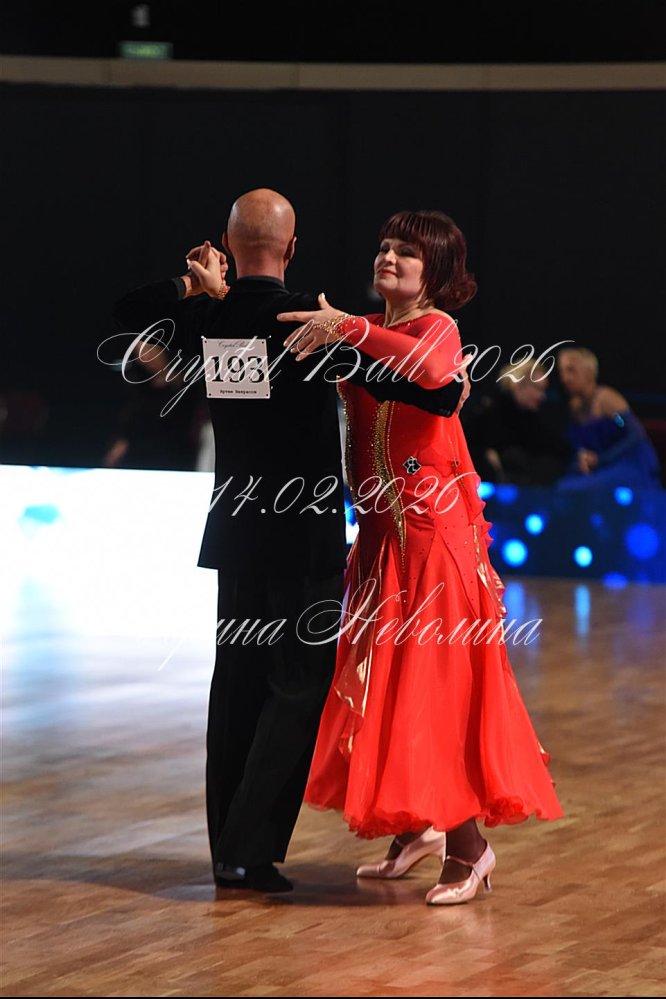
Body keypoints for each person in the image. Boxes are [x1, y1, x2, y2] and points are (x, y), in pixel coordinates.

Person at [112, 190, 467, 895]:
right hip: (302, 535)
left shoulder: (209, 317)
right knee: (296, 689)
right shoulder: (308, 319)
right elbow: (435, 394)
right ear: (293, 247)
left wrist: (193, 286)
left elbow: (128, 311)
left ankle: (229, 852)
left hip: (235, 533)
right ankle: (251, 851)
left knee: (235, 687)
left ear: (226, 246)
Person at [278, 209, 564, 906]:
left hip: (432, 541)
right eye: (384, 246)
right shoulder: (373, 332)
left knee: (428, 690)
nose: (389, 257)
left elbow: (433, 369)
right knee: (384, 685)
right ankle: (414, 827)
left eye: (406, 251)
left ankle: (468, 846)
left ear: (434, 271)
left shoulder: (436, 328)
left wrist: (347, 327)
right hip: (382, 536)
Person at [556, 347, 661, 491]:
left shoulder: (607, 400)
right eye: (562, 372)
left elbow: (630, 430)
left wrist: (602, 458)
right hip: (600, 465)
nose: (565, 378)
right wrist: (583, 455)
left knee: (573, 488)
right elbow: (578, 442)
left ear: (589, 372)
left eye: (571, 370)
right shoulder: (575, 406)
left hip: (627, 462)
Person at [461, 358, 571, 485]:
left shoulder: (533, 420)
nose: (542, 396)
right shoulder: (484, 413)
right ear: (517, 385)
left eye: (543, 390)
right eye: (537, 388)